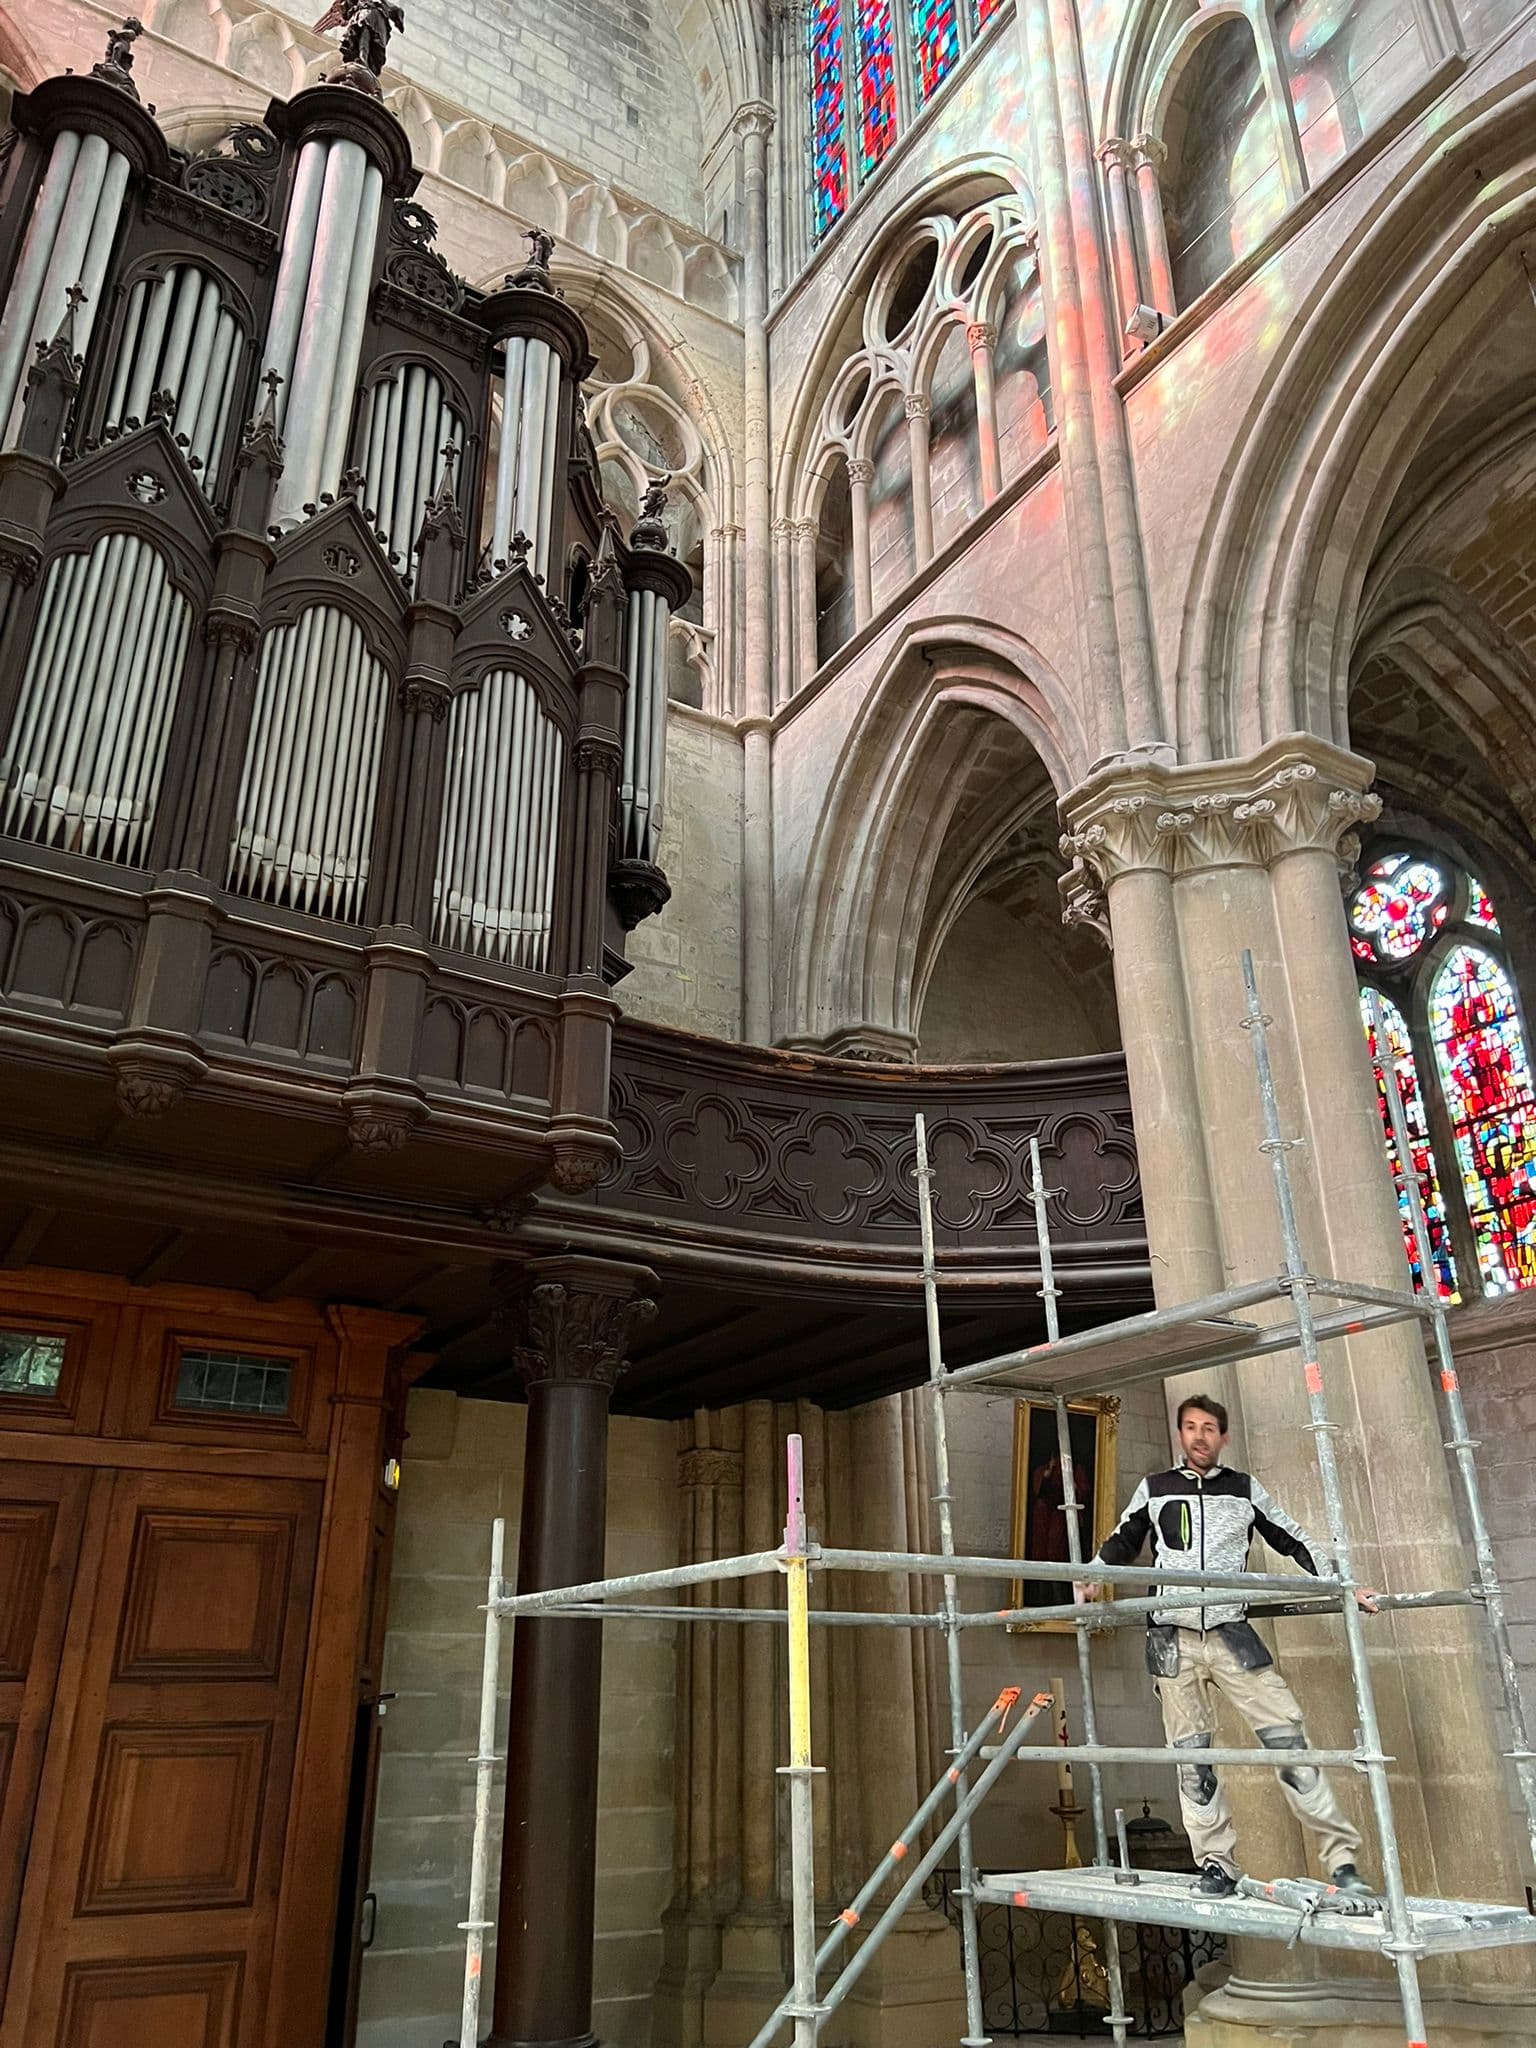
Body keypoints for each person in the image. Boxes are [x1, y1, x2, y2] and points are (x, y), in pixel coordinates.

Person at [1073, 1392, 1378, 1899]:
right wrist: (1092, 1579)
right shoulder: (1156, 1488)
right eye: (1190, 1427)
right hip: (1172, 1638)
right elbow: (1123, 1539)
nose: (1199, 1436)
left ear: (1223, 1436)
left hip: (1231, 1632)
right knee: (1192, 1761)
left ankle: (1342, 1861)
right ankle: (1216, 1862)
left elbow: (1293, 1538)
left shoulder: (1243, 1489)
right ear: (1180, 1434)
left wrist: (1346, 1586)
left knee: (1287, 1737)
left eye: (1209, 1428)